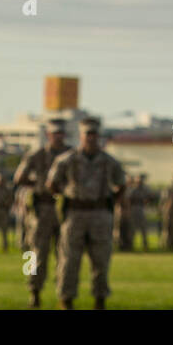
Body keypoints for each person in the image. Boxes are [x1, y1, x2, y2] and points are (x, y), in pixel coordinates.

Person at [46, 117, 126, 309]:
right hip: (75, 213)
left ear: (99, 136)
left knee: (101, 260)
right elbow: (51, 183)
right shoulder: (67, 159)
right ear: (81, 136)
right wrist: (65, 196)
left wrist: (110, 200)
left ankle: (100, 298)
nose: (91, 138)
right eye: (87, 134)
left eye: (94, 134)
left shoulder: (109, 161)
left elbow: (121, 184)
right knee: (69, 259)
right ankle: (66, 298)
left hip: (100, 214)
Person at [12, 118, 71, 308]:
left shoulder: (71, 155)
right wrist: (37, 185)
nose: (58, 137)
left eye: (61, 133)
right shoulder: (36, 155)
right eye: (55, 133)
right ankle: (33, 290)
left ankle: (64, 294)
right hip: (41, 209)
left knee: (66, 253)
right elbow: (19, 177)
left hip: (64, 209)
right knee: (34, 253)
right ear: (48, 135)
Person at [130, 175, 152, 251]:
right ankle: (131, 244)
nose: (139, 183)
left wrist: (146, 202)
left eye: (140, 182)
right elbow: (128, 200)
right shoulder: (132, 189)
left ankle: (145, 245)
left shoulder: (145, 189)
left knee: (143, 228)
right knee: (132, 228)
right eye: (138, 182)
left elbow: (149, 197)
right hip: (133, 209)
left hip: (141, 208)